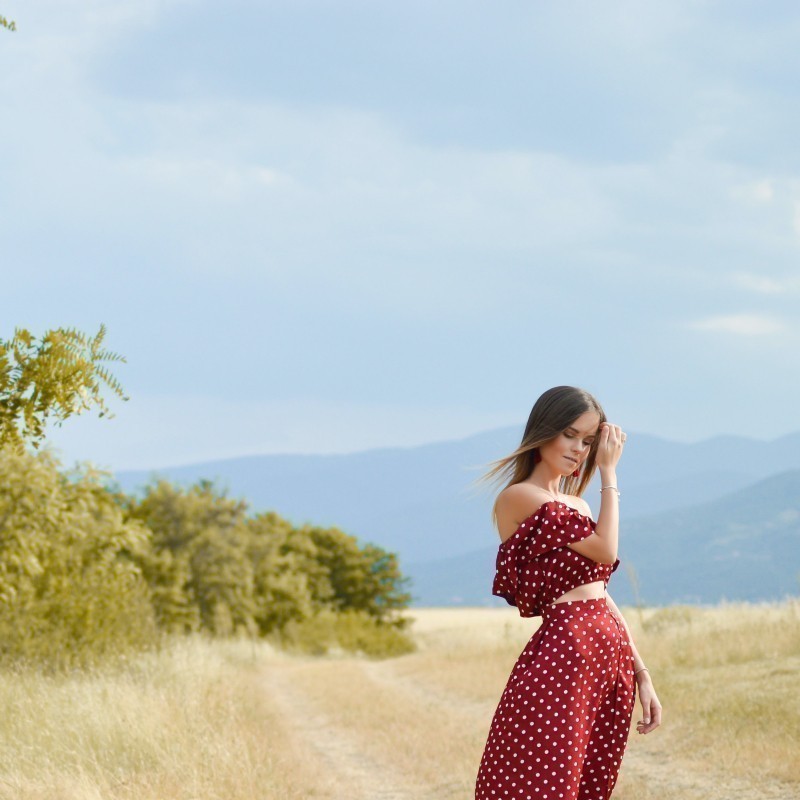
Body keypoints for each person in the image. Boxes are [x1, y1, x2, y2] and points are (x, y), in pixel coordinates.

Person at [474, 385, 662, 800]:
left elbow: (600, 593)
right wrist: (609, 474)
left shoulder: (574, 505)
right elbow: (605, 550)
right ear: (544, 432)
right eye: (571, 435)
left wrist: (641, 673)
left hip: (606, 655)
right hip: (568, 654)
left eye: (589, 441)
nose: (579, 449)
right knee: (545, 782)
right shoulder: (520, 497)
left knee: (588, 784)